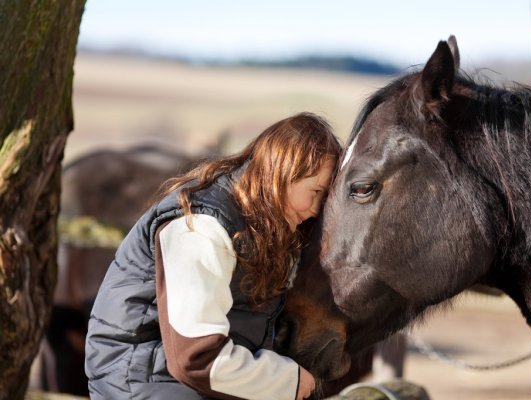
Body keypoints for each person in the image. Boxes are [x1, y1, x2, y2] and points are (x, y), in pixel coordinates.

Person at [85, 112, 342, 400]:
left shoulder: (256, 228)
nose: (316, 209)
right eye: (315, 191)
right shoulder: (201, 225)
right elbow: (195, 358)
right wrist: (285, 381)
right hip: (140, 382)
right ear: (282, 173)